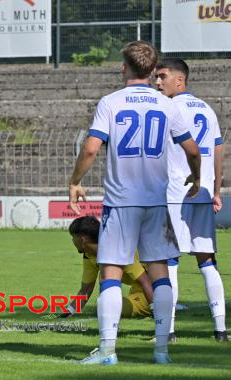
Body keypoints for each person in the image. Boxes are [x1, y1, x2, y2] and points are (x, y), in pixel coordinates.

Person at [69, 40, 201, 365]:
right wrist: (196, 178)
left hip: (121, 202)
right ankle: (161, 351)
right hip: (156, 203)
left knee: (111, 274)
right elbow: (193, 150)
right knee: (161, 274)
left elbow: (90, 149)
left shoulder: (110, 102)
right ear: (153, 70)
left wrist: (75, 182)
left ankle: (107, 350)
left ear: (124, 67)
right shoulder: (167, 105)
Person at [155, 58, 228, 342]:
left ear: (179, 80)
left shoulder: (168, 108)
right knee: (207, 259)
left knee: (170, 259)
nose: (157, 82)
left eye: (162, 77)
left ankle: (169, 330)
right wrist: (217, 189)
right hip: (204, 191)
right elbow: (218, 150)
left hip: (176, 190)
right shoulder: (207, 109)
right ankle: (220, 330)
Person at [63, 216, 153, 319]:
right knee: (105, 307)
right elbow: (86, 288)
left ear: (83, 240)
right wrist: (70, 311)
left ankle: (163, 305)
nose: (73, 241)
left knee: (109, 308)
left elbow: (145, 281)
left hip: (151, 289)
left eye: (74, 237)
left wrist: (157, 310)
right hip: (137, 289)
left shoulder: (119, 251)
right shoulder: (89, 255)